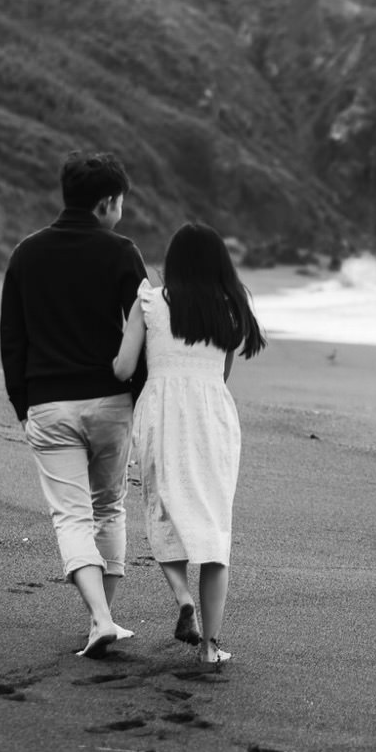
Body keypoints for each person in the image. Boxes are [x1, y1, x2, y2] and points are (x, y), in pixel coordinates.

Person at [0, 151, 149, 658]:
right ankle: (101, 618)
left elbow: (12, 339)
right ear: (107, 202)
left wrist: (22, 404)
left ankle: (100, 621)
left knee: (70, 516)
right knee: (108, 506)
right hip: (109, 402)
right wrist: (143, 398)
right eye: (121, 202)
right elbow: (143, 330)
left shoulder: (26, 254)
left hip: (48, 404)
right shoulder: (122, 253)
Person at [112, 222, 265, 666]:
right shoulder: (230, 308)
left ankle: (183, 598)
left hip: (161, 412)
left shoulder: (150, 301)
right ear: (219, 262)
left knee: (164, 510)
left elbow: (123, 369)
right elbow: (223, 375)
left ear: (174, 261)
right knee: (215, 530)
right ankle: (210, 647)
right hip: (213, 417)